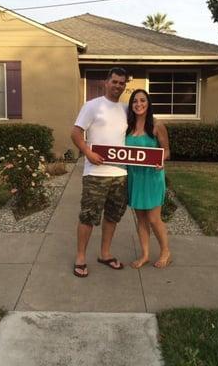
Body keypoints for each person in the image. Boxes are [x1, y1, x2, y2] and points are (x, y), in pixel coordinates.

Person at [70, 67, 129, 278]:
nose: (118, 86)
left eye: (122, 83)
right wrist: (87, 152)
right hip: (95, 173)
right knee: (88, 216)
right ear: (106, 82)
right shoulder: (92, 106)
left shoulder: (126, 109)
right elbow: (76, 132)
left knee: (112, 216)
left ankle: (105, 254)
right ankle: (80, 257)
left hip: (120, 175)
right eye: (115, 81)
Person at [125, 89, 172, 268]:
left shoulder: (156, 125)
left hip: (152, 177)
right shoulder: (127, 127)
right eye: (135, 101)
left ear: (148, 103)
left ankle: (165, 251)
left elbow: (167, 150)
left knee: (153, 218)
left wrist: (161, 159)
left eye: (142, 100)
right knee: (141, 219)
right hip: (135, 178)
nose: (138, 104)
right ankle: (145, 254)